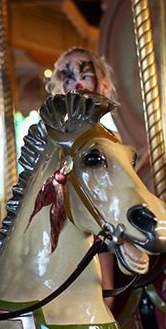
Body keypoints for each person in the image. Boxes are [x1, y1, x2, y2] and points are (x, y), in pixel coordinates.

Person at [45, 46, 117, 309]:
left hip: (101, 223)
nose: (76, 82)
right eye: (68, 78)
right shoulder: (55, 138)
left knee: (105, 293)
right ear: (58, 91)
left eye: (85, 76)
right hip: (64, 220)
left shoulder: (109, 139)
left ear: (104, 85)